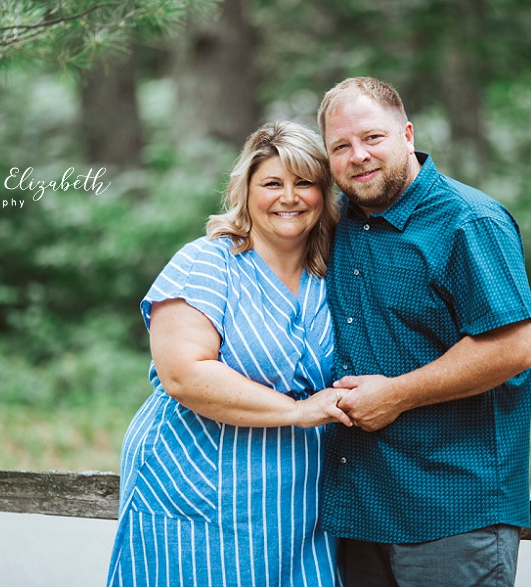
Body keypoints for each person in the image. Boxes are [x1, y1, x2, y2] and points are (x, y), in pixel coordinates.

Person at [106, 121, 351, 587]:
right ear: (246, 190)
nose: (289, 197)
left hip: (300, 501)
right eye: (273, 184)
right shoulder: (207, 262)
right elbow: (185, 375)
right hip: (198, 484)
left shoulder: (332, 273)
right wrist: (299, 411)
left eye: (304, 183)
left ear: (323, 193)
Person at [316, 77, 531, 586]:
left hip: (453, 510)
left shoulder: (470, 220)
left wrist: (395, 395)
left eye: (373, 138)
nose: (358, 156)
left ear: (407, 134)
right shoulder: (338, 221)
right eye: (341, 147)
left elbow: (516, 345)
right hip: (361, 509)